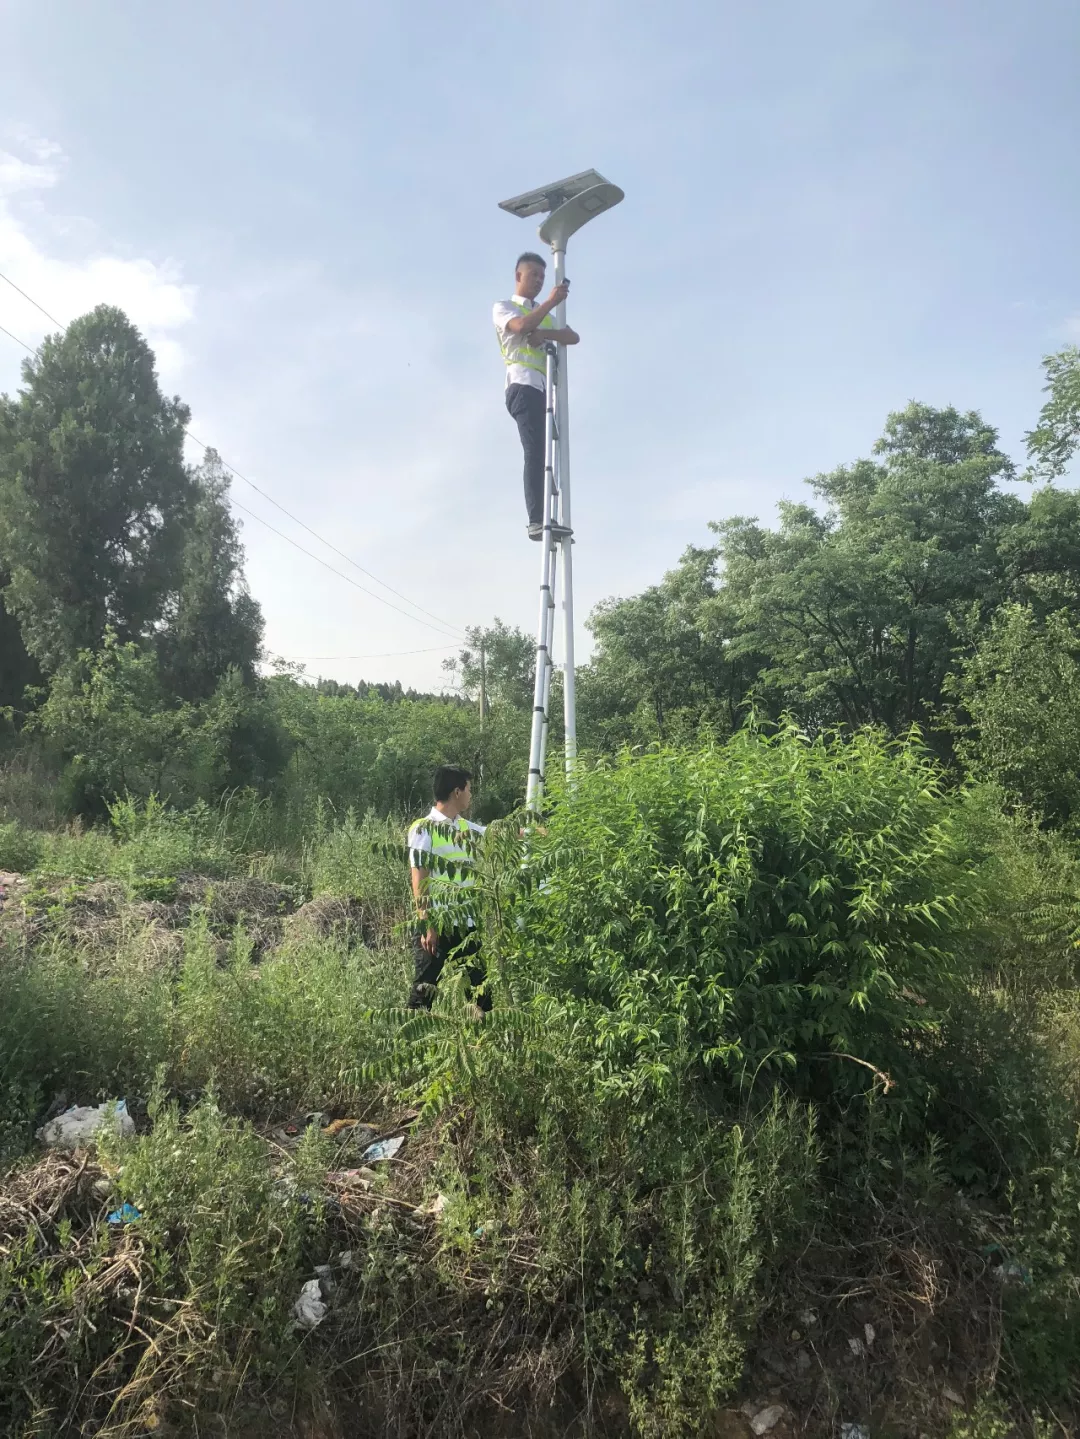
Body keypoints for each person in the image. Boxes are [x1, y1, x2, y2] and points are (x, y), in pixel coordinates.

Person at [492, 252, 580, 541]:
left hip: (543, 390)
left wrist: (545, 333)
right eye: (534, 275)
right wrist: (550, 302)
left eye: (543, 277)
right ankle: (535, 520)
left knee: (544, 453)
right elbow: (520, 327)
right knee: (534, 451)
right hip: (521, 384)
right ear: (519, 276)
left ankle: (546, 518)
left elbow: (572, 336)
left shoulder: (544, 316)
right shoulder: (504, 307)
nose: (540, 281)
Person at [406, 765, 492, 1012]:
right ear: (457, 792)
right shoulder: (424, 828)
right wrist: (427, 924)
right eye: (469, 789)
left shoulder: (464, 827)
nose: (470, 795)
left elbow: (494, 834)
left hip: (465, 925)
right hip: (437, 925)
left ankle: (479, 1034)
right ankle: (413, 1034)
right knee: (424, 992)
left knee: (481, 993)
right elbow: (419, 880)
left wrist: (535, 831)